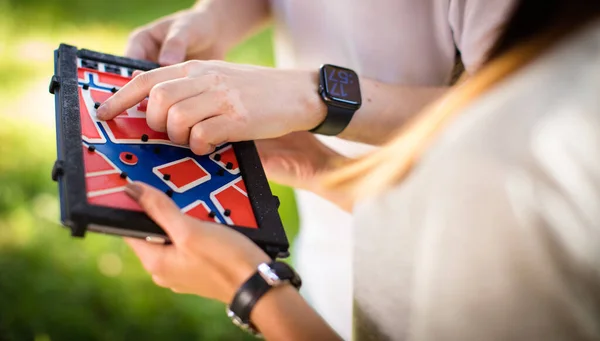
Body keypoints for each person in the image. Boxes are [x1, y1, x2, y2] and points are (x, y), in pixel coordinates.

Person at [109, 0, 600, 339]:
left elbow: (501, 135)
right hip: (346, 233)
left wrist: (251, 288)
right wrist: (323, 170)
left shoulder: (555, 143)